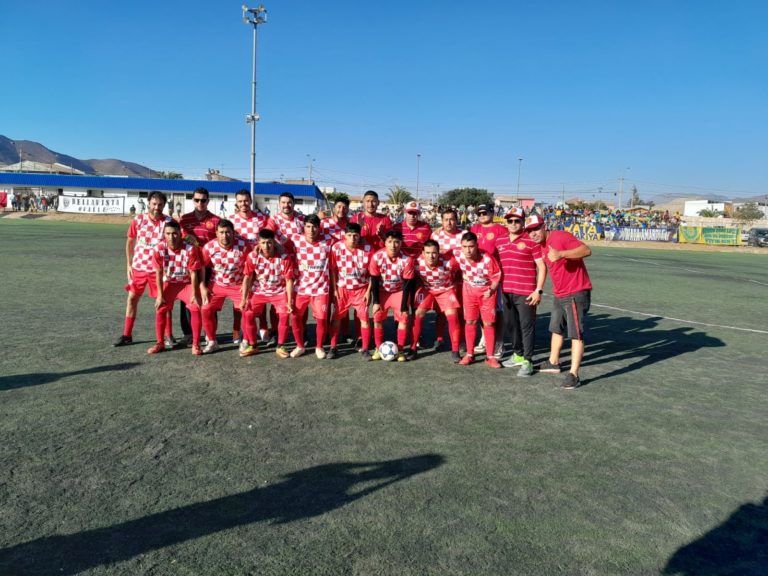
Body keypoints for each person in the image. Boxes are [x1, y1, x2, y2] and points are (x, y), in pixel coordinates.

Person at [526, 214, 592, 389]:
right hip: (560, 293)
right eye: (530, 231)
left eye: (536, 229)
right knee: (556, 328)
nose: (533, 233)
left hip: (576, 292)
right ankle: (553, 362)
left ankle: (574, 374)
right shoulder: (541, 246)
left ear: (544, 226)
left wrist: (562, 254)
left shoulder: (560, 236)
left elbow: (586, 250)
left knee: (576, 333)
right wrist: (539, 289)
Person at [114, 191, 172, 347]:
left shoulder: (169, 222)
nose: (157, 207)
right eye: (154, 204)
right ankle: (127, 334)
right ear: (148, 203)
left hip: (159, 270)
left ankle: (168, 336)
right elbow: (130, 242)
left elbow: (176, 243)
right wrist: (128, 264)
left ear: (164, 205)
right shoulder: (138, 220)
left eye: (160, 204)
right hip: (139, 267)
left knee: (163, 302)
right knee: (132, 299)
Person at [495, 208, 547, 377]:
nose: (513, 224)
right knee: (511, 325)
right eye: (510, 221)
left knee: (527, 327)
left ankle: (528, 360)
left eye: (517, 221)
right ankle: (517, 354)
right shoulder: (500, 240)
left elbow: (541, 266)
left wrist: (538, 290)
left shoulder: (531, 240)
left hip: (526, 292)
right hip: (506, 291)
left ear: (523, 222)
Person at [148, 221, 204, 355]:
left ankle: (196, 344)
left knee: (195, 307)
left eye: (174, 233)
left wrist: (195, 293)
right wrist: (160, 295)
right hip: (170, 283)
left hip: (186, 284)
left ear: (180, 234)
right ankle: (160, 343)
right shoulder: (158, 249)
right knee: (161, 308)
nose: (171, 237)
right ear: (164, 234)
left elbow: (193, 273)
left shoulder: (190, 249)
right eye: (168, 234)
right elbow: (159, 273)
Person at [239, 229, 296, 358]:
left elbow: (289, 280)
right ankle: (253, 345)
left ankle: (280, 345)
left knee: (285, 315)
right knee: (247, 313)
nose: (266, 246)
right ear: (258, 243)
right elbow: (247, 277)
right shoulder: (252, 256)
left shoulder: (284, 257)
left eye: (269, 242)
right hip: (260, 291)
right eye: (263, 243)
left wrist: (290, 300)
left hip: (279, 291)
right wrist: (243, 299)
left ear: (274, 242)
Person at [199, 220, 251, 353]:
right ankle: (212, 341)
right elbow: (202, 267)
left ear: (233, 233)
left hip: (238, 284)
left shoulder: (244, 245)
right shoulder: (209, 247)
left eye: (228, 232)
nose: (225, 235)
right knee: (205, 308)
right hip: (217, 284)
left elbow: (251, 267)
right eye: (221, 232)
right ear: (216, 233)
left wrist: (247, 285)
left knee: (247, 310)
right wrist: (203, 287)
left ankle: (246, 340)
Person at [179, 187, 221, 344]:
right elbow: (181, 240)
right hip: (189, 267)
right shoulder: (184, 219)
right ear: (193, 200)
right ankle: (188, 333)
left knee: (208, 300)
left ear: (208, 201)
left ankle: (210, 333)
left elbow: (219, 242)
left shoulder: (216, 220)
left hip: (209, 267)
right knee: (188, 300)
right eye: (197, 200)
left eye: (203, 200)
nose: (200, 203)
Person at [455, 231, 502, 368]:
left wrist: (491, 289)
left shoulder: (487, 258)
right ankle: (470, 354)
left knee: (488, 323)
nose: (467, 250)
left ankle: (490, 356)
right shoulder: (458, 254)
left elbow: (496, 276)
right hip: (469, 291)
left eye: (471, 246)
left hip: (486, 293)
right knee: (470, 321)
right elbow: (442, 253)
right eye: (464, 246)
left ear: (477, 245)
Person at [289, 214, 333, 359]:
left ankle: (319, 347)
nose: (311, 229)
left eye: (314, 226)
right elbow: (278, 245)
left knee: (321, 319)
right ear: (304, 228)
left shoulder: (328, 241)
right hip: (300, 288)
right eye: (308, 226)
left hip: (321, 289)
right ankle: (300, 346)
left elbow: (347, 243)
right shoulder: (295, 239)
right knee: (295, 317)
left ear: (319, 228)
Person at [412, 240, 463, 362]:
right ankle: (413, 348)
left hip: (446, 289)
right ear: (423, 253)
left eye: (434, 253)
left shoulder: (450, 262)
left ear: (439, 253)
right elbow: (412, 276)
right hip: (427, 289)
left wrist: (456, 282)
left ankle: (455, 350)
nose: (431, 256)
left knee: (452, 316)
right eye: (428, 253)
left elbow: (463, 269)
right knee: (418, 313)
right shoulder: (416, 262)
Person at [368, 230, 415, 362]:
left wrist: (404, 304)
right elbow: (375, 281)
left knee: (404, 317)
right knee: (377, 316)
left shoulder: (407, 259)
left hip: (399, 291)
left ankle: (400, 350)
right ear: (385, 243)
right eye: (390, 242)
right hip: (383, 292)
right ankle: (378, 348)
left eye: (396, 242)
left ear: (401, 243)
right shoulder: (377, 257)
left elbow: (407, 284)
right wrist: (376, 301)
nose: (393, 245)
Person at [328, 222, 372, 359]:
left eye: (355, 235)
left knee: (364, 319)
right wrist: (335, 289)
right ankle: (333, 346)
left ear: (360, 236)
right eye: (349, 235)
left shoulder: (368, 249)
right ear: (344, 236)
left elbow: (373, 273)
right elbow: (333, 270)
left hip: (361, 289)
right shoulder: (336, 248)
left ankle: (365, 348)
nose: (352, 238)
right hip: (343, 289)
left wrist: (368, 291)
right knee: (336, 318)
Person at [470, 204, 507, 359]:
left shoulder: (500, 230)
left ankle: (499, 342)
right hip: (478, 278)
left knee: (497, 311)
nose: (482, 215)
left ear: (492, 213)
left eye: (485, 212)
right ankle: (485, 338)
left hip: (495, 278)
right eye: (479, 213)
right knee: (480, 310)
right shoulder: (474, 229)